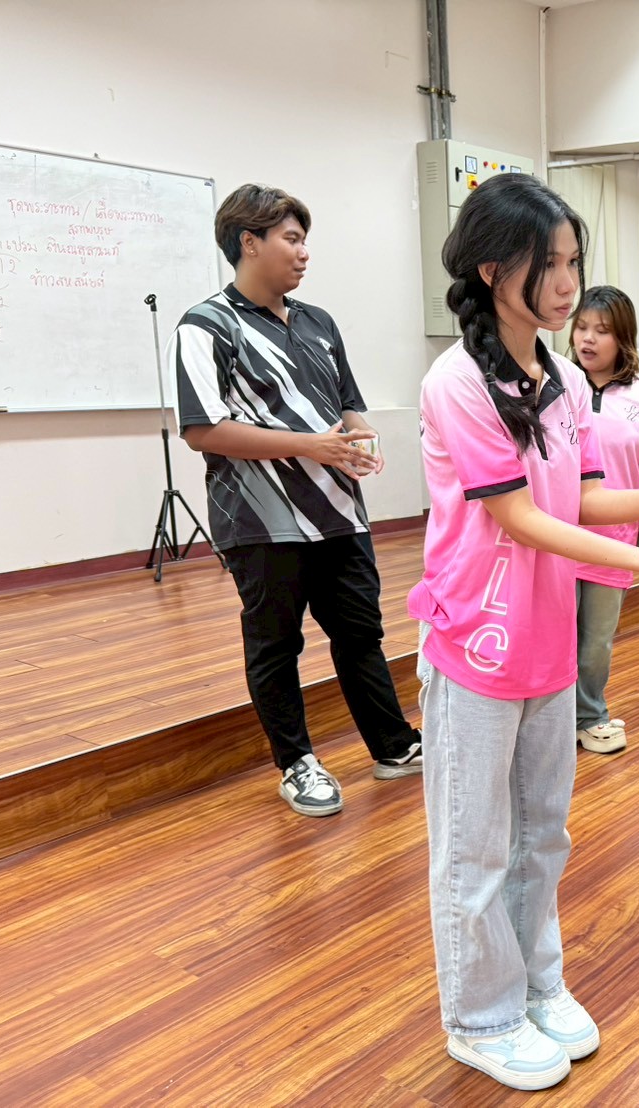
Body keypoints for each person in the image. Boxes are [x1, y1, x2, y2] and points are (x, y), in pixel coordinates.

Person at [409, 173, 639, 1093]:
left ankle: (534, 985)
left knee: (542, 835)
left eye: (573, 263)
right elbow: (518, 517)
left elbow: (581, 497)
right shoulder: (456, 381)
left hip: (547, 641)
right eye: (547, 265)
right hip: (477, 643)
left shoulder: (555, 378)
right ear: (491, 270)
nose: (566, 285)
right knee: (475, 846)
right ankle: (479, 1018)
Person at [169, 183, 422, 817]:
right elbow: (202, 429)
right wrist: (311, 445)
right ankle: (296, 763)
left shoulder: (318, 322)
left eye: (305, 240)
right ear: (249, 243)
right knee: (276, 645)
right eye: (292, 239)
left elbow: (348, 403)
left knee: (360, 633)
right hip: (261, 520)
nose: (304, 252)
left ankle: (393, 746)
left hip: (340, 511)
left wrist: (361, 438)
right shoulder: (206, 325)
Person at [567, 286, 639, 754]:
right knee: (552, 636)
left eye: (602, 331)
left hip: (613, 541)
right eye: (581, 328)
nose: (587, 339)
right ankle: (549, 721)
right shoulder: (556, 383)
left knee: (595, 641)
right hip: (556, 537)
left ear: (623, 338)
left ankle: (590, 716)